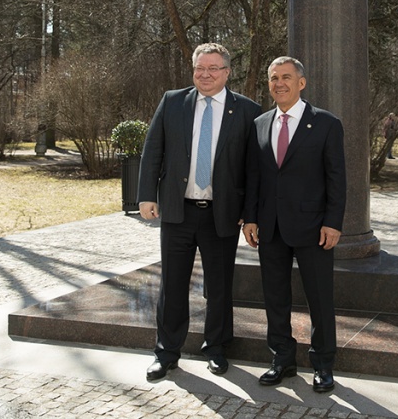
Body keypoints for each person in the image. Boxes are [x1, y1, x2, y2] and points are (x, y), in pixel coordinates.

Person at [138, 43, 262, 381]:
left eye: (212, 69)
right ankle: (166, 352)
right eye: (199, 69)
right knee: (172, 285)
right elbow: (153, 151)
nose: (204, 75)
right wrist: (146, 195)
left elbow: (255, 170)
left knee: (219, 286)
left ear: (226, 72)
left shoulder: (249, 111)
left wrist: (250, 214)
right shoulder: (173, 102)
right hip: (178, 211)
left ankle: (217, 348)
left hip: (221, 215)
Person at [242, 57, 347, 393]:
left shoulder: (327, 124)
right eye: (273, 78)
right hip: (270, 227)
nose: (279, 83)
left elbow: (337, 179)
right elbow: (254, 176)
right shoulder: (259, 124)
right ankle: (282, 360)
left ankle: (323, 365)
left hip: (314, 227)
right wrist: (251, 217)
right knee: (275, 297)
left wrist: (333, 222)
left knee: (320, 298)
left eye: (286, 77)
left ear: (302, 82)